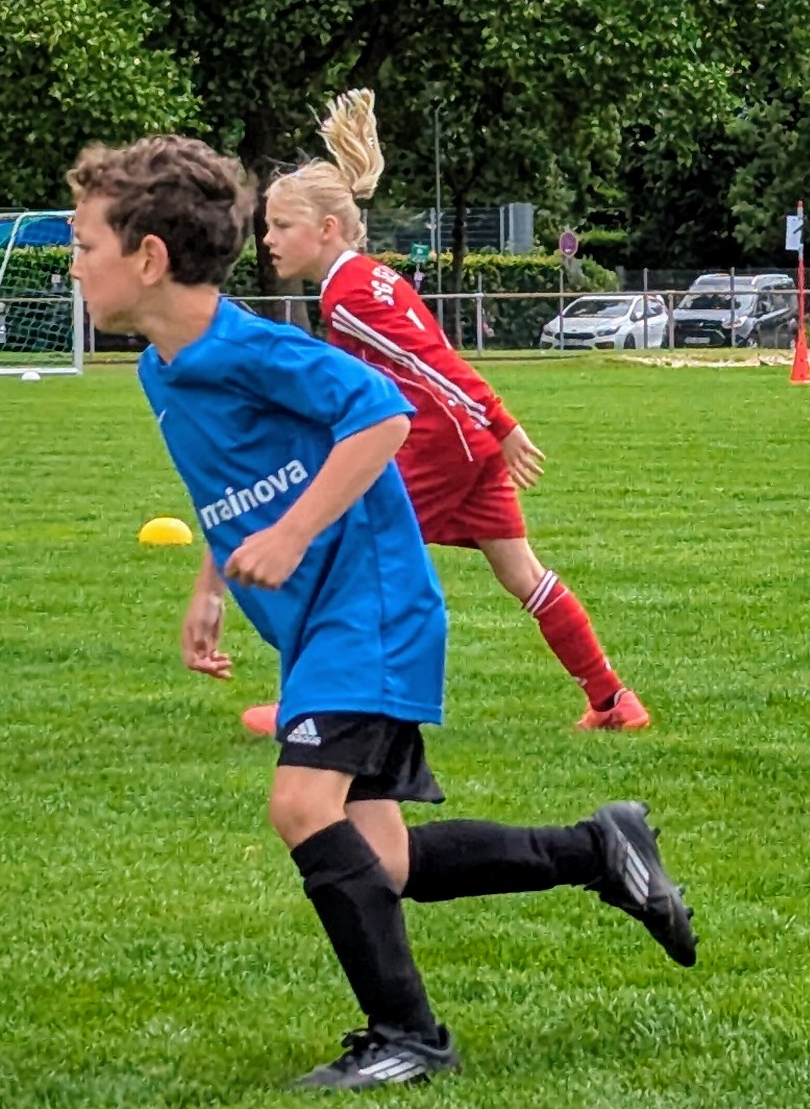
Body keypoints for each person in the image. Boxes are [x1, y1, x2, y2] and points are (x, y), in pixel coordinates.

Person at [70, 133, 694, 1089]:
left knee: (300, 805)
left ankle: (409, 1036)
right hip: (319, 623)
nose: (74, 266)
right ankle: (600, 849)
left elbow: (380, 413)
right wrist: (211, 585)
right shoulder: (165, 367)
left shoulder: (253, 347)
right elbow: (225, 483)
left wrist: (293, 535)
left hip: (369, 610)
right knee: (383, 858)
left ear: (148, 257)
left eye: (84, 246)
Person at [250, 90, 646, 734]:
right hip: (464, 444)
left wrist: (501, 422)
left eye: (280, 226)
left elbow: (431, 364)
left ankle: (311, 708)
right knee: (523, 574)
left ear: (326, 229)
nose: (267, 239)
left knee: (331, 556)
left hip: (438, 448)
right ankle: (613, 701)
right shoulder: (368, 278)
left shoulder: (347, 296)